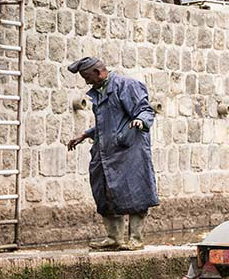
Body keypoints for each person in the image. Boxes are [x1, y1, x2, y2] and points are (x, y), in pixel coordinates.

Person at [66, 57, 159, 251]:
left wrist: (140, 121)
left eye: (87, 77)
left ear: (98, 72)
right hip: (105, 150)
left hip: (129, 149)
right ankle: (114, 237)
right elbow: (106, 123)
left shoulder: (127, 86)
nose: (86, 82)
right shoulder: (99, 93)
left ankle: (136, 239)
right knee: (103, 191)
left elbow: (145, 110)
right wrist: (84, 135)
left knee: (135, 192)